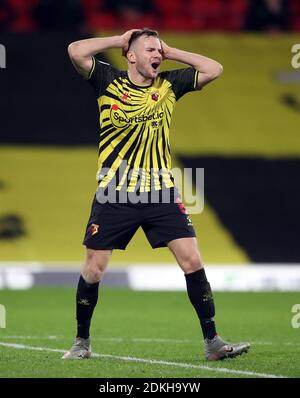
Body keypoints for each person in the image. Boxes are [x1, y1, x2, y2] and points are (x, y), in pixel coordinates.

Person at [62, 28, 250, 361]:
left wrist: (173, 50)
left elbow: (214, 69)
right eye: (150, 49)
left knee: (192, 260)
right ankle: (81, 342)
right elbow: (75, 50)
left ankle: (213, 342)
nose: (157, 55)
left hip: (161, 191)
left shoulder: (169, 85)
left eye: (159, 50)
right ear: (130, 55)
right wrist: (116, 40)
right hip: (115, 191)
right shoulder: (107, 81)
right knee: (94, 268)